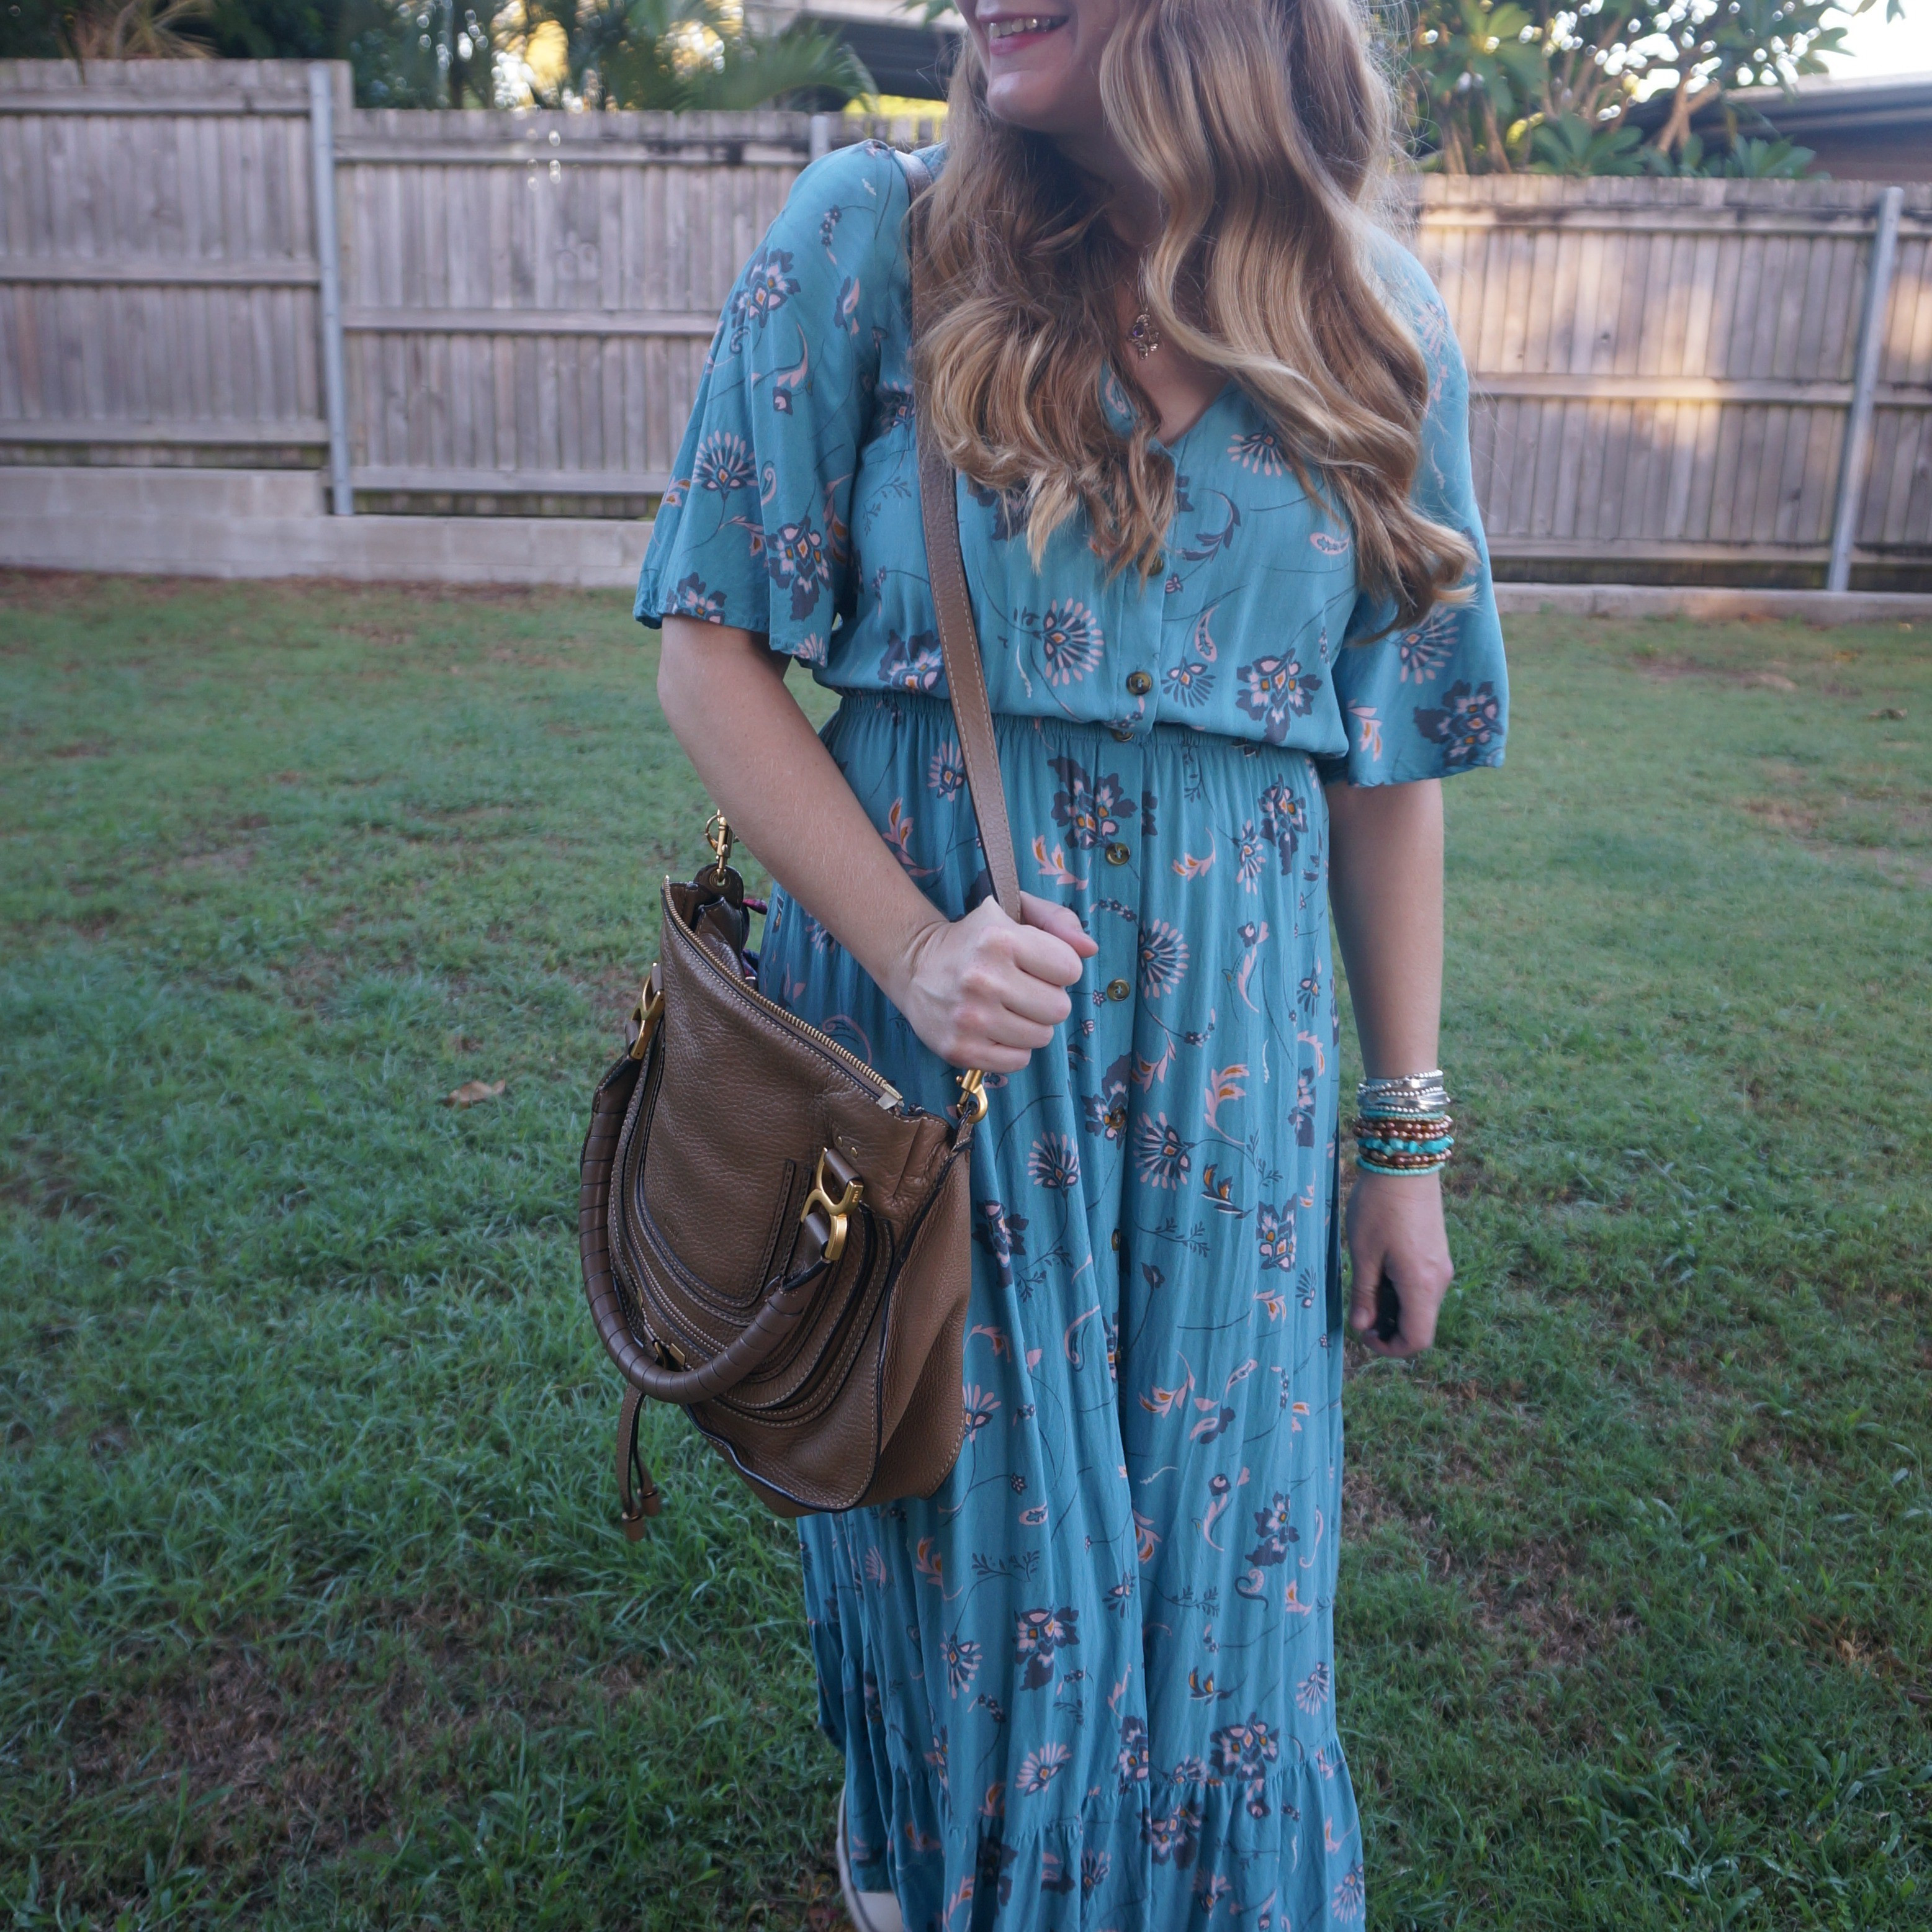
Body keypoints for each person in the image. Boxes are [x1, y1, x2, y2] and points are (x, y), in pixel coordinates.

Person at [637, 0, 1507, 1921]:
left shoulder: (1374, 329)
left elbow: (1387, 763)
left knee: (1227, 1566)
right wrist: (918, 946)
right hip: (937, 1048)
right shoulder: (878, 235)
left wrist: (1403, 1133)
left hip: (1239, 1076)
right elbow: (707, 643)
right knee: (968, 1553)